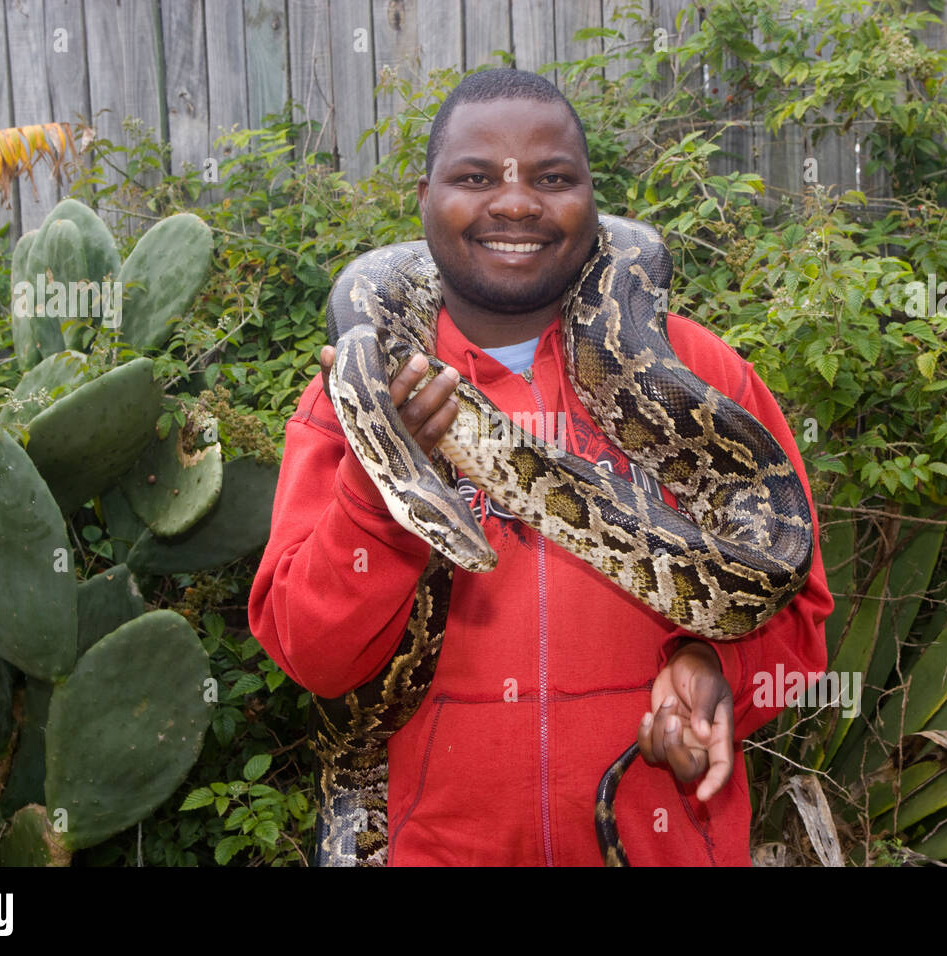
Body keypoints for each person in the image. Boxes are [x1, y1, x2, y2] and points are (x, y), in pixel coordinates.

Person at [248, 68, 832, 866]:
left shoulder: (704, 376)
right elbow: (310, 652)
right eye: (475, 178)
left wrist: (719, 666)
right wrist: (383, 487)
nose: (517, 203)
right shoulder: (358, 398)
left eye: (553, 179)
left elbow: (797, 621)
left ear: (596, 200)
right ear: (424, 200)